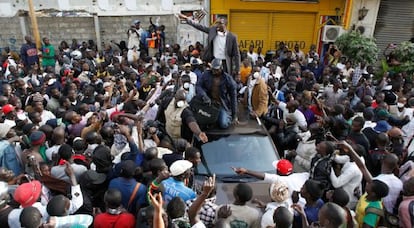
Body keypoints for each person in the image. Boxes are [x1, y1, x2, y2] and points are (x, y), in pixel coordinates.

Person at [197, 58, 238, 129]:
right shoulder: (206, 74)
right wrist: (204, 95)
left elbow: (233, 97)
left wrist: (234, 115)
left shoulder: (228, 79)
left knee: (223, 124)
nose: (214, 71)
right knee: (201, 121)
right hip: (208, 103)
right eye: (213, 69)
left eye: (216, 70)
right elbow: (198, 85)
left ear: (221, 68)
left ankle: (227, 116)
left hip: (221, 104)